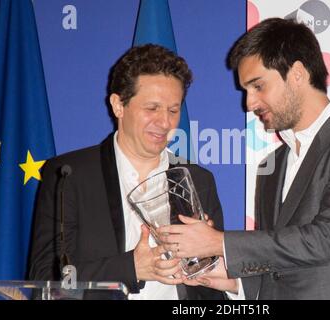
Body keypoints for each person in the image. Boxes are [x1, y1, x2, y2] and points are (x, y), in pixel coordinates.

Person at [158, 18, 330, 300]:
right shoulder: (272, 167)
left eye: (258, 86)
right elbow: (281, 266)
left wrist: (218, 243)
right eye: (246, 90)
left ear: (297, 73)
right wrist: (235, 281)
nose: (249, 104)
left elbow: (324, 241)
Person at [29, 44, 225, 300]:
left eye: (173, 110)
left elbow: (214, 288)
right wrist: (131, 267)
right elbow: (45, 279)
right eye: (152, 108)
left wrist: (208, 257)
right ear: (118, 105)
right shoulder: (68, 176)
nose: (165, 122)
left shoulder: (199, 180)